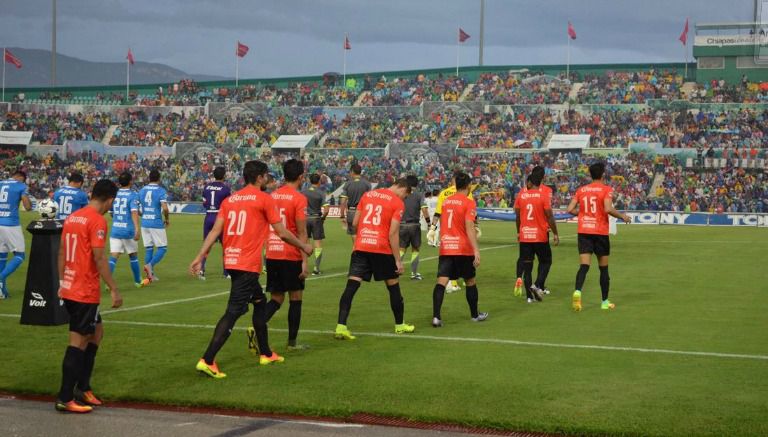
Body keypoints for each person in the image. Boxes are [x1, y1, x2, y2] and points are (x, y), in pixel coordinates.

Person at [189, 160, 312, 378]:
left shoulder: (230, 200)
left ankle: (266, 353)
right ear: (259, 178)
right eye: (266, 176)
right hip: (247, 264)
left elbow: (215, 231)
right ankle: (207, 359)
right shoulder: (264, 199)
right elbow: (282, 233)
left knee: (260, 302)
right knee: (233, 311)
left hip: (232, 261)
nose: (268, 179)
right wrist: (303, 246)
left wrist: (200, 256)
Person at [55, 179, 121, 413]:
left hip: (71, 285)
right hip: (84, 290)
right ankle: (65, 397)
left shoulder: (73, 217)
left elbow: (62, 251)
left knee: (96, 333)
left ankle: (83, 387)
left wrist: (63, 281)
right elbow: (100, 258)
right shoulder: (97, 220)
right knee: (79, 340)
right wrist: (113, 287)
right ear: (110, 200)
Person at [334, 178, 415, 340]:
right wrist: (398, 260)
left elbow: (355, 222)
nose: (404, 199)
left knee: (351, 286)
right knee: (393, 287)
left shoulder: (368, 195)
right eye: (405, 196)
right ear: (403, 188)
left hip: (362, 245)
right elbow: (392, 233)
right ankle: (399, 325)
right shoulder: (397, 203)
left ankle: (341, 326)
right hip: (381, 249)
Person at [249, 159, 309, 352]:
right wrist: (305, 261)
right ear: (301, 177)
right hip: (291, 253)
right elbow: (301, 232)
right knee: (296, 298)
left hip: (272, 253)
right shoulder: (299, 198)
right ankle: (292, 343)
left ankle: (256, 326)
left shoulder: (271, 195)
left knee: (276, 298)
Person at [566, 162, 632, 311]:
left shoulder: (581, 190)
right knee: (603, 269)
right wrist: (622, 216)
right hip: (600, 232)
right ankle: (604, 302)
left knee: (584, 266)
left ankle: (577, 291)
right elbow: (608, 208)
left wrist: (582, 214)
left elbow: (570, 209)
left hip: (584, 231)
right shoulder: (606, 190)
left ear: (590, 174)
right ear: (603, 174)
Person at [431, 172, 486, 327]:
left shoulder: (447, 201)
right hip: (462, 248)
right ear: (468, 186)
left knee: (441, 281)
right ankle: (475, 315)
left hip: (447, 246)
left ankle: (436, 317)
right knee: (470, 280)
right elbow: (469, 227)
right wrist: (476, 250)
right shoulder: (468, 202)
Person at [427, 172, 479, 293]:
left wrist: (432, 228)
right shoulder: (468, 195)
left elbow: (438, 213)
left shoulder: (444, 194)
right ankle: (473, 310)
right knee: (469, 277)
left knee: (445, 273)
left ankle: (452, 284)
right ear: (467, 184)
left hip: (447, 235)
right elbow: (471, 215)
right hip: (461, 235)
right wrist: (476, 226)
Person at [514, 173, 560, 304]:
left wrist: (519, 232)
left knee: (527, 267)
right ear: (539, 183)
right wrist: (555, 233)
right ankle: (538, 284)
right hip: (540, 236)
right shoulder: (543, 196)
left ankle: (529, 297)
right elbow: (550, 216)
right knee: (546, 261)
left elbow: (517, 217)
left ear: (529, 183)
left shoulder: (521, 195)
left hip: (525, 236)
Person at [0, 170, 32, 299]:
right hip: (10, 224)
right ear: (21, 177)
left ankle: (2, 291)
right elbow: (27, 206)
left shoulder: (1, 183)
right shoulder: (20, 186)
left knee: (2, 255)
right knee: (20, 255)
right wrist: (28, 202)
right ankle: (0, 278)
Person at [108, 172, 143, 288]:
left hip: (115, 230)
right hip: (128, 230)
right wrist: (137, 229)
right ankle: (138, 281)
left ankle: (108, 283)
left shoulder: (114, 194)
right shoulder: (133, 195)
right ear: (130, 182)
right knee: (133, 255)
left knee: (113, 256)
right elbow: (134, 212)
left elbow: (111, 213)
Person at [199, 166, 231, 280]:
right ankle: (226, 272)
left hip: (208, 216)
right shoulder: (225, 188)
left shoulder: (207, 187)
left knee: (207, 244)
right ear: (224, 176)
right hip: (220, 217)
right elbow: (228, 205)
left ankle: (201, 269)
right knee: (226, 245)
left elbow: (204, 203)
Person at [138, 169, 169, 283]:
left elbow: (137, 208)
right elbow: (165, 208)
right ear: (159, 179)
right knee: (162, 248)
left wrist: (144, 214)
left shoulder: (141, 191)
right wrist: (167, 219)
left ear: (149, 178)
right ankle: (149, 265)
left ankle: (150, 276)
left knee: (149, 248)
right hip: (155, 223)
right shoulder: (160, 190)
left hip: (144, 223)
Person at [399, 175, 430, 280]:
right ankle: (414, 273)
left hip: (402, 224)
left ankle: (395, 270)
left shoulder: (402, 195)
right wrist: (429, 223)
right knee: (415, 249)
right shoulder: (419, 195)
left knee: (401, 249)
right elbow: (424, 210)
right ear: (416, 184)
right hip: (414, 225)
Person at [301, 173, 329, 275]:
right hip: (316, 218)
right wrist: (323, 218)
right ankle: (316, 268)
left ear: (309, 181)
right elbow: (326, 210)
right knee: (317, 244)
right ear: (319, 181)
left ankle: (304, 266)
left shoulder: (303, 192)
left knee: (305, 243)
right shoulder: (321, 193)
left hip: (305, 218)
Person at [339, 163, 371, 241]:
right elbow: (370, 200)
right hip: (364, 213)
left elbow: (343, 202)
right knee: (363, 235)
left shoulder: (348, 184)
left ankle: (356, 250)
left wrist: (342, 215)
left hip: (352, 212)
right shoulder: (367, 184)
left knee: (354, 236)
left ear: (352, 171)